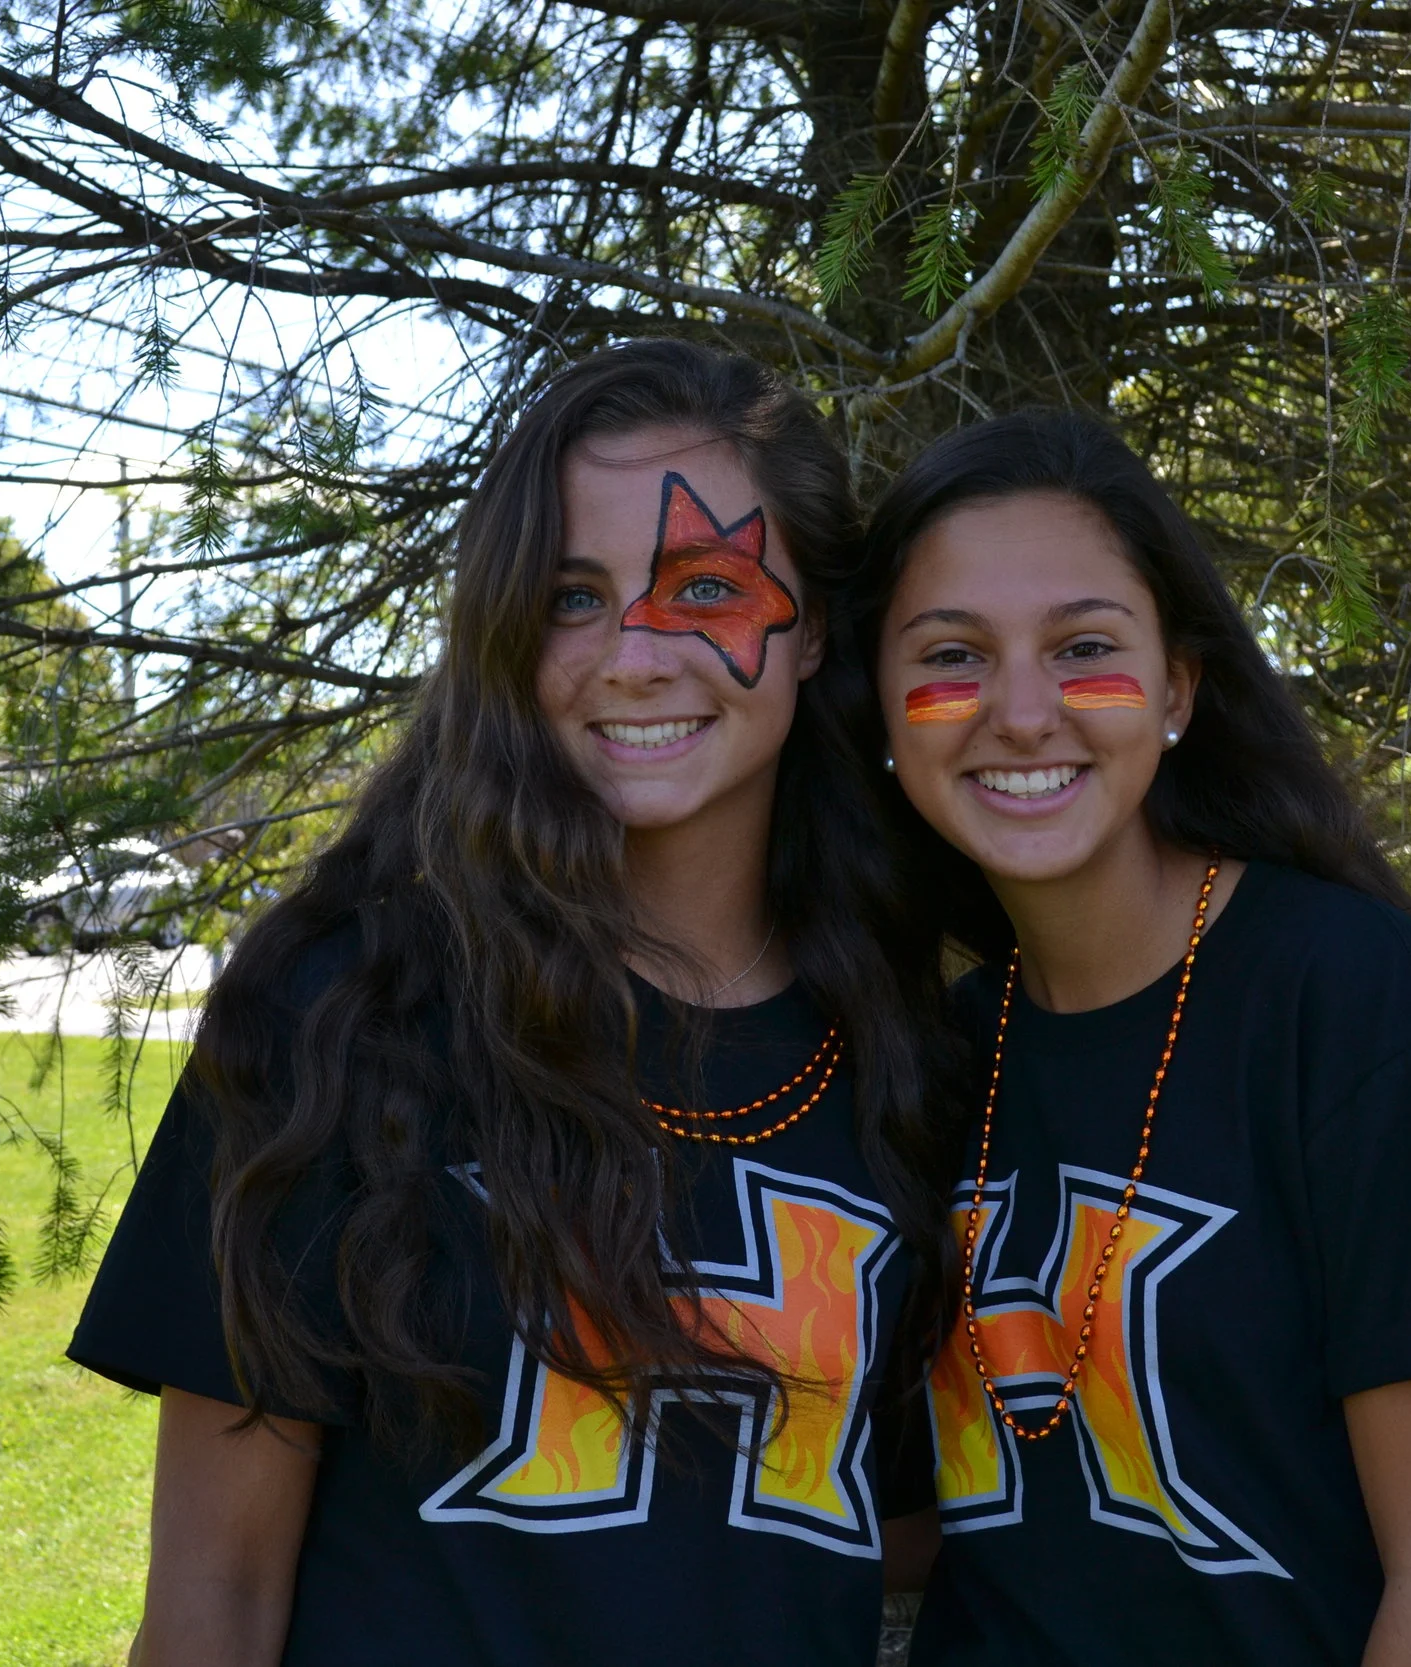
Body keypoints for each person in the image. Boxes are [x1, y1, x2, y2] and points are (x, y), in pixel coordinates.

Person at [67, 340, 958, 1667]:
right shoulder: (335, 1019)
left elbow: (899, 1548)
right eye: (569, 596)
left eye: (706, 587)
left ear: (815, 623)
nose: (633, 655)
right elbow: (217, 1598)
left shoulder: (908, 1056)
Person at [855, 410, 1411, 1666]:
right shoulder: (937, 1056)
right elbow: (917, 1522)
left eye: (1084, 647)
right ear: (887, 717)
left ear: (1175, 688)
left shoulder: (1345, 1004)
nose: (1019, 710)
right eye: (952, 654)